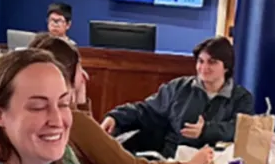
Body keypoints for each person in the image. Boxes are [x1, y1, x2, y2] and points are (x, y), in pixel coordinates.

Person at [28, 33, 214, 164]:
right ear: (67, 75)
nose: (85, 75)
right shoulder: (73, 121)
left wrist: (80, 100)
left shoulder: (47, 119)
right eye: (80, 68)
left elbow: (91, 151)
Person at [101, 36, 254, 157]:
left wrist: (206, 130)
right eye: (200, 61)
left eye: (212, 62)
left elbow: (240, 130)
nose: (204, 68)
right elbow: (146, 109)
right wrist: (116, 117)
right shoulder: (178, 88)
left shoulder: (242, 98)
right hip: (174, 163)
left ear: (226, 67)